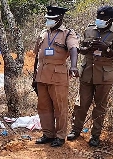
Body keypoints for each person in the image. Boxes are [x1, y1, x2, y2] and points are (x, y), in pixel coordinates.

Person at [67, 6, 113, 147]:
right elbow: (81, 49)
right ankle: (76, 130)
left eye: (103, 18)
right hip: (87, 72)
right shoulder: (89, 30)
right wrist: (88, 49)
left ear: (111, 20)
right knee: (81, 104)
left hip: (104, 75)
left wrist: (106, 48)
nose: (100, 20)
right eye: (98, 17)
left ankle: (95, 135)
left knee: (100, 106)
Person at [33, 5, 79, 147]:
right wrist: (34, 76)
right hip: (41, 75)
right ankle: (48, 134)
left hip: (58, 75)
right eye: (48, 18)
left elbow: (74, 49)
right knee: (43, 106)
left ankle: (60, 136)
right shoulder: (43, 33)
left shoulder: (68, 33)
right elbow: (37, 55)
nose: (49, 21)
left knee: (60, 107)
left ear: (59, 19)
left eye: (52, 19)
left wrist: (73, 65)